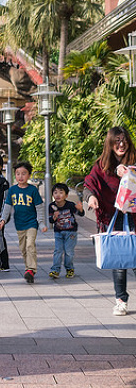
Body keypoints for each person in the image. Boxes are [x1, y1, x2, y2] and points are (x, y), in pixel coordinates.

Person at [84, 127, 136, 316]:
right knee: (119, 262)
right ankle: (121, 300)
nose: (121, 144)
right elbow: (89, 184)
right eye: (117, 140)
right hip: (113, 218)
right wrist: (91, 198)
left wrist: (130, 173)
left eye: (124, 140)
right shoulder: (101, 165)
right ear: (110, 143)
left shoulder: (134, 161)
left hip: (134, 216)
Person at [0, 161, 47, 284]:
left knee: (30, 245)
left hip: (32, 223)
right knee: (23, 248)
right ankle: (28, 270)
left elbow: (39, 208)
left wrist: (41, 223)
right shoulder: (12, 190)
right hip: (19, 224)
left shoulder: (33, 190)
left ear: (29, 175)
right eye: (18, 174)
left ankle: (31, 269)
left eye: (23, 173)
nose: (20, 176)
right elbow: (7, 206)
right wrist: (3, 219)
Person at [48, 182, 85, 280]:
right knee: (58, 251)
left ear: (66, 195)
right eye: (55, 192)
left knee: (69, 252)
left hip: (71, 232)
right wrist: (54, 217)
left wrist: (80, 209)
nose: (58, 195)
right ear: (53, 195)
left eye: (61, 192)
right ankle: (55, 270)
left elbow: (80, 214)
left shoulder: (70, 205)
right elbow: (50, 220)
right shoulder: (51, 206)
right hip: (58, 232)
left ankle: (69, 269)